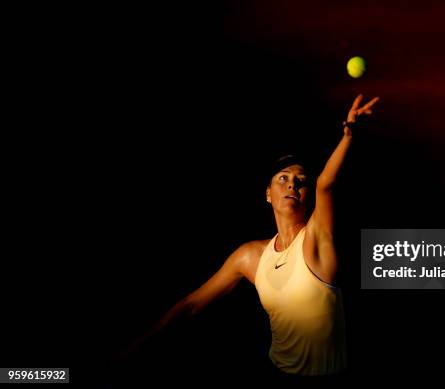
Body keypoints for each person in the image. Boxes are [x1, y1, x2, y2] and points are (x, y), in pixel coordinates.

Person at [121, 94, 380, 377]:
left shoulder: (317, 239)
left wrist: (348, 136)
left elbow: (327, 184)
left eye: (301, 181)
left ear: (308, 196)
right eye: (283, 178)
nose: (292, 184)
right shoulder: (251, 257)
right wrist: (140, 344)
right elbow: (192, 304)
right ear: (268, 194)